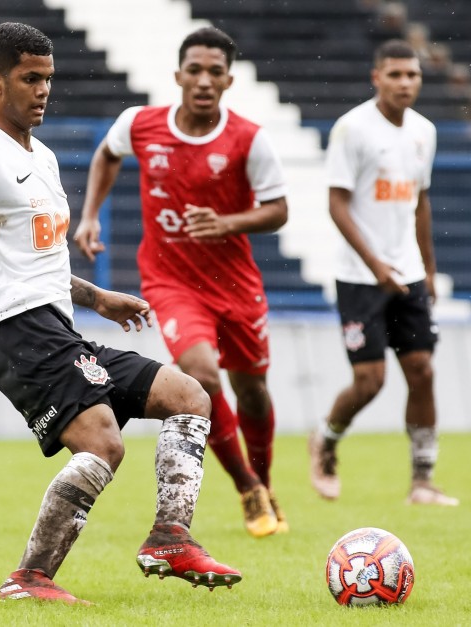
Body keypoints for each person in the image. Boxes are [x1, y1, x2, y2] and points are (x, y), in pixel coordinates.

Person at [0, 22, 241, 605]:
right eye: (29, 79)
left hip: (57, 326)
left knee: (189, 397)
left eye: (48, 79)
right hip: (16, 332)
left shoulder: (44, 159)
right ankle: (30, 579)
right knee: (104, 444)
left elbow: (37, 264)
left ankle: (170, 535)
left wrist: (97, 298)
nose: (42, 91)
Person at [73, 27, 289, 538]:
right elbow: (107, 153)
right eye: (195, 69)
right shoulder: (141, 124)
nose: (204, 80)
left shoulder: (248, 139)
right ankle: (246, 488)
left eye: (216, 71)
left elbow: (279, 210)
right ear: (178, 75)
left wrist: (227, 222)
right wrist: (90, 215)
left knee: (252, 389)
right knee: (202, 377)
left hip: (235, 283)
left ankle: (265, 479)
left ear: (229, 80)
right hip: (171, 282)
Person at [308, 39, 459, 507]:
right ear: (377, 77)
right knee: (371, 381)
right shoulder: (352, 129)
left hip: (408, 274)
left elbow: (420, 202)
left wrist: (427, 269)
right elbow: (336, 203)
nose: (405, 83)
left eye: (412, 75)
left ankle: (423, 480)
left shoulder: (424, 132)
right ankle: (327, 441)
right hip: (360, 277)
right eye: (395, 74)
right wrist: (377, 266)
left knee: (422, 370)